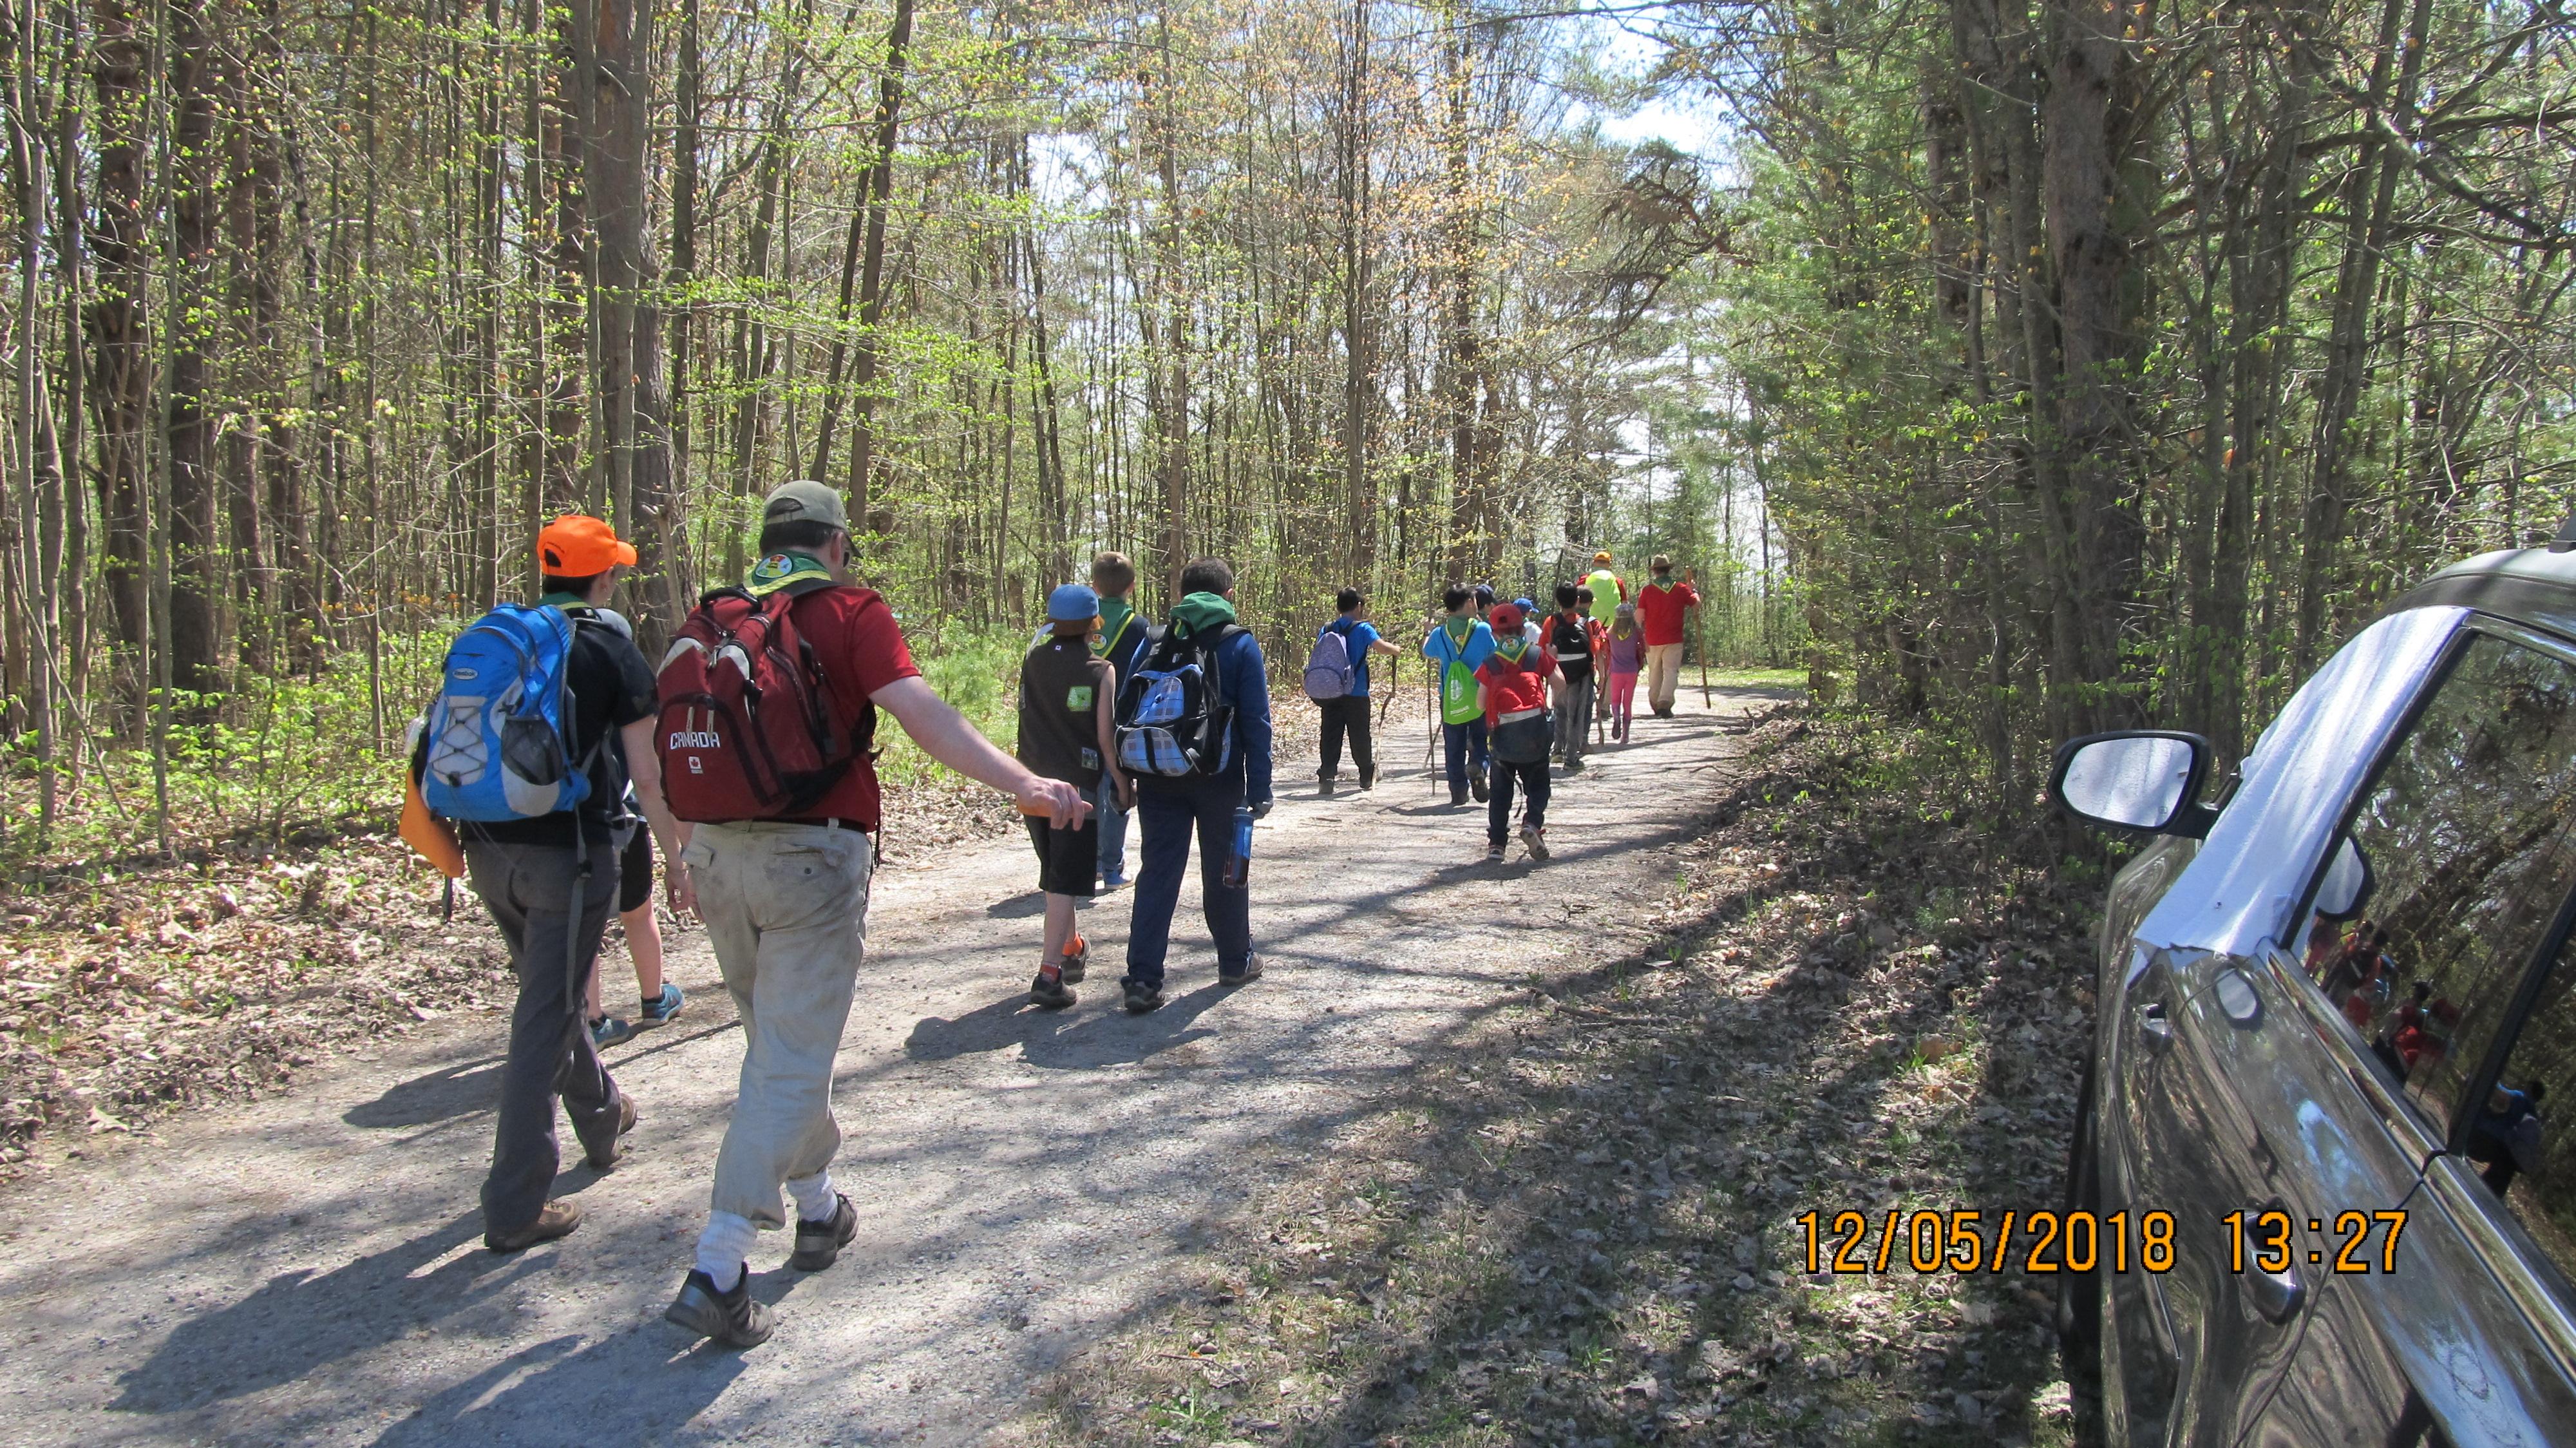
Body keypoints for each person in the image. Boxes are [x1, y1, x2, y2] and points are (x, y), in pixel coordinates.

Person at [665, 480, 1086, 1349]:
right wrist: (1025, 783)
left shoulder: (714, 618)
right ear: (837, 545)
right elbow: (922, 715)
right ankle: (720, 1261)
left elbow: (659, 735)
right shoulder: (850, 612)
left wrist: (676, 850)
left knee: (776, 1046)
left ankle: (817, 1206)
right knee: (786, 1059)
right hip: (809, 863)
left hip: (714, 855)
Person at [424, 515, 687, 1255]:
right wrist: (676, 855)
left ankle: (603, 1115)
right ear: (602, 578)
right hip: (567, 856)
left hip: (483, 850)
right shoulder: (610, 648)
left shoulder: (502, 638)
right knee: (544, 1015)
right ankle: (515, 1202)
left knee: (554, 991)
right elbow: (647, 774)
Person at [1122, 556, 1274, 1013]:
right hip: (1220, 778)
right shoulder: (1240, 644)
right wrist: (1260, 788)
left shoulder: (1154, 640)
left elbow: (1127, 708)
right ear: (1229, 595)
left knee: (1158, 873)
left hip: (1158, 773)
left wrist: (1122, 776)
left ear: (1183, 594)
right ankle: (1234, 960)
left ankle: (1143, 980)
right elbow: (1257, 722)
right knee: (1227, 871)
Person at [1018, 584, 1130, 1010]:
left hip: (1030, 785)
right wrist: (1121, 784)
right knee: (1064, 880)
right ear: (1093, 623)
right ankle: (1049, 974)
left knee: (1055, 872)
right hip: (1076, 793)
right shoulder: (1101, 671)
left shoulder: (1032, 660)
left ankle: (1071, 947)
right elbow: (1106, 739)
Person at [588, 795, 687, 1049]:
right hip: (624, 818)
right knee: (639, 912)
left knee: (583, 923)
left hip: (568, 825)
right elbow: (646, 780)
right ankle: (654, 1000)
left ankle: (593, 1021)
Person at [1476, 602, 1560, 863]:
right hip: (1535, 733)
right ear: (1523, 629)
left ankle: (1497, 844)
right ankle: (1532, 824)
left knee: (1501, 793)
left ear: (1495, 634)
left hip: (1503, 738)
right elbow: (1560, 684)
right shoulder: (1536, 655)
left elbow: (1480, 703)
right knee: (1538, 786)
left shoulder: (1490, 663)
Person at [1089, 552, 1151, 890]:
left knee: (1086, 788)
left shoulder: (1082, 621)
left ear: (1095, 586)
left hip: (1082, 720)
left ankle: (1090, 863)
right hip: (1121, 721)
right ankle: (1112, 869)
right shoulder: (1139, 626)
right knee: (1117, 789)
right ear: (1132, 586)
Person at [1315, 586, 1399, 795]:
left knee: (1330, 734)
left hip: (1331, 691)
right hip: (1357, 692)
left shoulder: (1327, 629)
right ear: (1359, 606)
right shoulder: (1363, 629)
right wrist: (1396, 650)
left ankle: (1327, 776)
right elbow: (1381, 647)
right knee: (1360, 734)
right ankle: (1365, 775)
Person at [1423, 584, 1497, 806]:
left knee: (1453, 744)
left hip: (1450, 697)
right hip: (1479, 694)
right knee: (1480, 740)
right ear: (1467, 603)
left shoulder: (1439, 634)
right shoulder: (1482, 630)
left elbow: (1426, 651)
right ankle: (1479, 766)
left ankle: (1458, 790)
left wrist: (1428, 630)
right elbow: (1495, 655)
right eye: (1474, 601)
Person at [1634, 555, 1701, 718]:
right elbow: (1696, 605)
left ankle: (1655, 702)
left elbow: (1639, 616)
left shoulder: (1647, 591)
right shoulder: (1680, 588)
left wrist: (1638, 634)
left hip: (1652, 638)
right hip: (1674, 637)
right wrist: (1694, 591)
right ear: (1668, 570)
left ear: (1655, 571)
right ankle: (1665, 702)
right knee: (1671, 671)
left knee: (1654, 671)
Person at [1547, 583, 1596, 772]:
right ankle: (1572, 758)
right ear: (1577, 601)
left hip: (1559, 672)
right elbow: (1592, 649)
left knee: (1560, 710)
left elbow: (1545, 647)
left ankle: (1557, 750)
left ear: (1558, 601)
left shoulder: (1551, 622)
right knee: (1576, 714)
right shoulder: (1585, 623)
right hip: (1582, 675)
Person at [1602, 602, 1645, 741]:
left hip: (1616, 670)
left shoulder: (1610, 632)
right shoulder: (1636, 632)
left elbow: (1605, 649)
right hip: (1631, 670)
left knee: (1615, 700)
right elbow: (1643, 648)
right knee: (1628, 703)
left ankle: (1616, 718)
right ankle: (1625, 735)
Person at [1582, 551, 1626, 625]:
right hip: (1612, 626)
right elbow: (1624, 605)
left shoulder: (1585, 580)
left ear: (1593, 563)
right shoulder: (1617, 581)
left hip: (1589, 624)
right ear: (1609, 565)